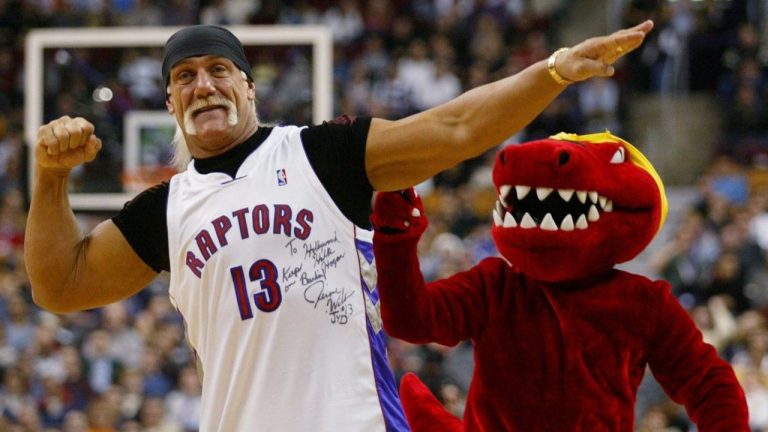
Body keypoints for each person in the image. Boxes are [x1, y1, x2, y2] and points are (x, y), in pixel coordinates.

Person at [25, 22, 654, 432]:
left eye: (219, 70)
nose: (203, 85)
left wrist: (551, 72)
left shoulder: (323, 154)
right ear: (169, 104)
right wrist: (51, 178)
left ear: (249, 86)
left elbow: (457, 128)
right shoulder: (165, 208)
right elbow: (61, 285)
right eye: (185, 77)